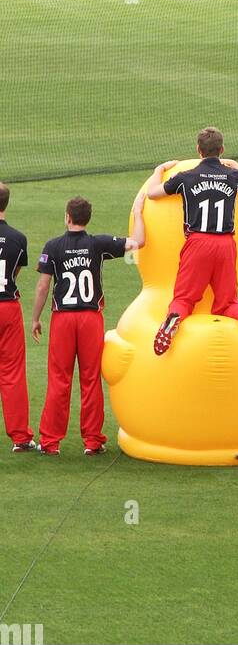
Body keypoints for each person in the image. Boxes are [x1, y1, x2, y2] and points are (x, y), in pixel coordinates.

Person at [32, 193, 146, 455]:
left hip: (62, 319)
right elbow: (139, 241)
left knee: (59, 380)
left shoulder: (53, 246)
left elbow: (42, 286)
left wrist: (36, 318)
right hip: (90, 319)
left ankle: (50, 442)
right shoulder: (98, 244)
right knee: (91, 379)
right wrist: (139, 211)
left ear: (68, 217)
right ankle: (93, 441)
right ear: (87, 218)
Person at [146, 128, 238, 355]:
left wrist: (158, 170)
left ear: (198, 150)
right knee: (228, 302)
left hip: (198, 242)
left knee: (184, 299)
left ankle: (173, 319)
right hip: (226, 245)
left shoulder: (186, 177)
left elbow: (153, 193)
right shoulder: (231, 176)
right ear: (221, 150)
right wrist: (237, 165)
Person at [0, 182, 35, 452]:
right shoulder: (18, 238)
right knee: (12, 373)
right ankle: (21, 438)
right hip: (8, 308)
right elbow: (14, 274)